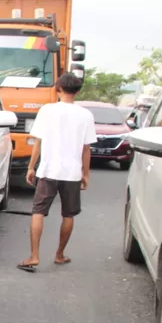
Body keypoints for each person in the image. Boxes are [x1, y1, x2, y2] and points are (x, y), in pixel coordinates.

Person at [17, 73, 97, 272]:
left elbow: (38, 142)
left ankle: (34, 256)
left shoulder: (47, 110)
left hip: (48, 170)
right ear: (78, 91)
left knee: (38, 211)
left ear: (58, 88)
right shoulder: (86, 115)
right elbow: (86, 149)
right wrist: (85, 174)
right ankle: (59, 254)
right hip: (72, 173)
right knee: (68, 214)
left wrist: (31, 167)